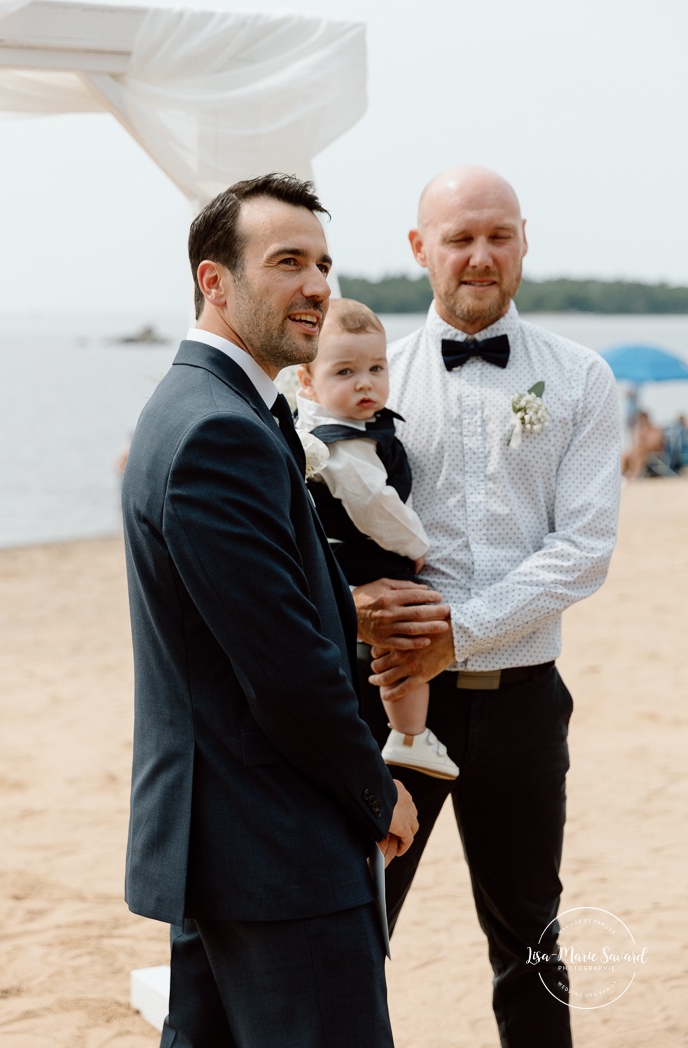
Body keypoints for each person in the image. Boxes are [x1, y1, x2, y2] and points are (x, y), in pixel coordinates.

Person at [120, 172, 418, 1048]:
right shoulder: (218, 429)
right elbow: (285, 670)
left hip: (224, 846)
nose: (318, 285)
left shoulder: (208, 408)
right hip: (276, 851)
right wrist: (376, 792)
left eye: (323, 263)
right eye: (288, 262)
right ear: (215, 281)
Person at [352, 165, 622, 1048]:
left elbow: (581, 550)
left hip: (522, 704)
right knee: (355, 926)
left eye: (496, 236)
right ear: (418, 246)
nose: (478, 256)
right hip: (386, 706)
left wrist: (455, 635)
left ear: (523, 242)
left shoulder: (579, 379)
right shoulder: (362, 376)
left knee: (530, 939)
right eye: (458, 237)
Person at [295, 298, 459, 780]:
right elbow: (378, 507)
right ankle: (410, 735)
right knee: (409, 632)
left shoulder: (345, 428)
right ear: (307, 381)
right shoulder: (343, 446)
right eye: (344, 372)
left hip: (348, 559)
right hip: (366, 561)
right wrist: (416, 546)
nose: (365, 382)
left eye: (375, 368)